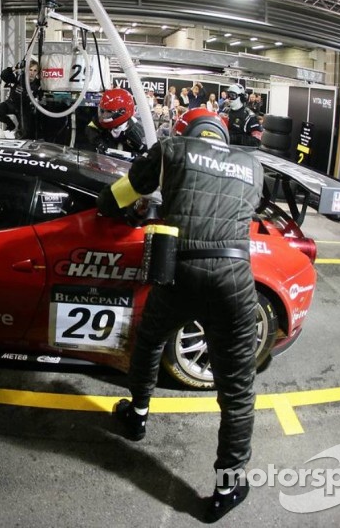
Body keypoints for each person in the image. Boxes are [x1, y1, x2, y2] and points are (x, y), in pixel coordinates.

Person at [98, 109, 261, 522]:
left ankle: (136, 417)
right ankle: (227, 488)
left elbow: (115, 197)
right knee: (237, 389)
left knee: (150, 340)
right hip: (233, 279)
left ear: (186, 130)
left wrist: (133, 209)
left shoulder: (172, 149)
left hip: (179, 272)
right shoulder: (252, 165)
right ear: (223, 134)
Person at [84, 88, 147, 157]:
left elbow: (147, 156)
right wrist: (99, 143)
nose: (103, 115)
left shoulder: (138, 133)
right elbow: (90, 129)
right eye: (102, 111)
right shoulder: (98, 122)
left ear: (122, 113)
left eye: (109, 112)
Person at [0, 60, 40, 139]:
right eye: (30, 70)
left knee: (25, 132)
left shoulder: (37, 84)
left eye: (35, 71)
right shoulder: (19, 77)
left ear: (37, 72)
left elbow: (40, 96)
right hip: (11, 103)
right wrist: (15, 67)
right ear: (26, 70)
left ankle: (18, 138)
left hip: (24, 108)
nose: (32, 73)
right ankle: (10, 125)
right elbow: (4, 75)